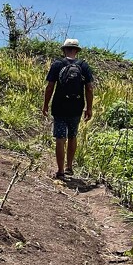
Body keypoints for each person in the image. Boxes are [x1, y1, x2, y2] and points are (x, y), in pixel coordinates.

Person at [42, 38, 94, 180]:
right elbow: (89, 88)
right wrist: (89, 108)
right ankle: (69, 167)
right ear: (76, 51)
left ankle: (60, 171)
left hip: (59, 106)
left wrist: (45, 104)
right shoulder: (84, 66)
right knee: (72, 136)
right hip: (76, 106)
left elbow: (50, 86)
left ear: (64, 50)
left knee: (60, 137)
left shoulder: (57, 64)